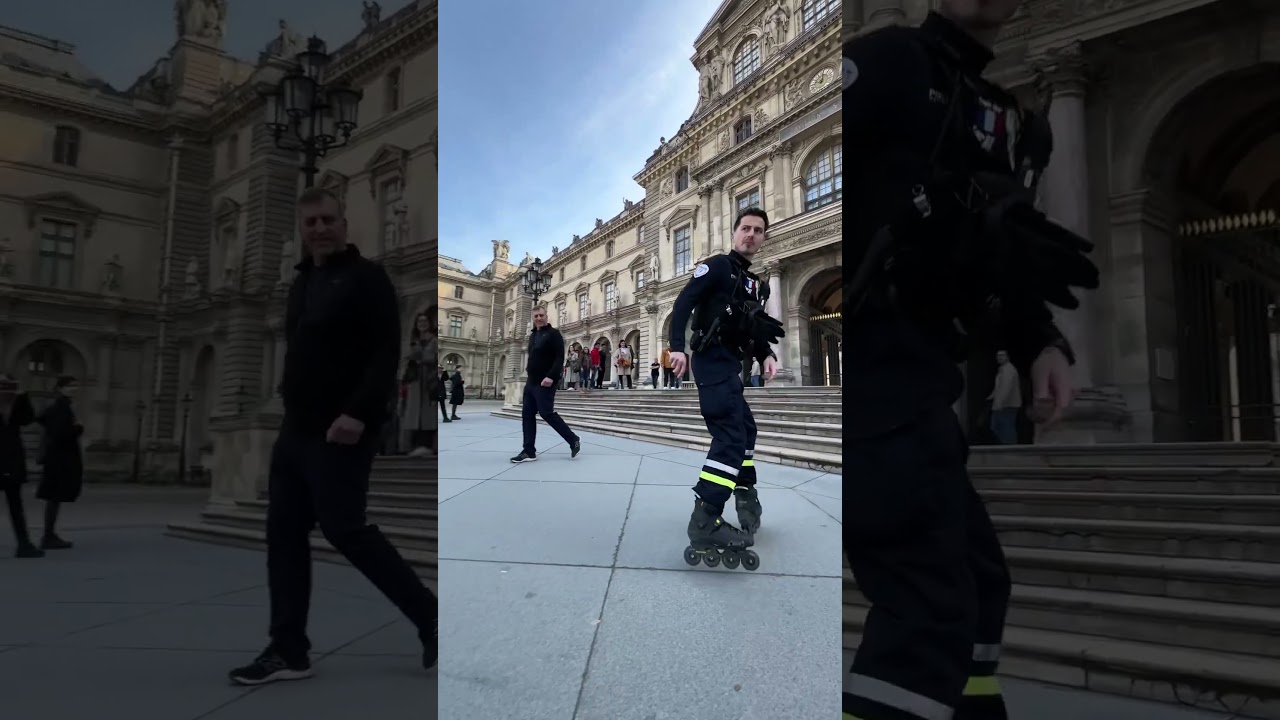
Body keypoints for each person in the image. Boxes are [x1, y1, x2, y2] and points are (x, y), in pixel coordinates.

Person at [842, 3, 1100, 719]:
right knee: (926, 607)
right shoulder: (891, 58)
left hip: (924, 376)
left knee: (981, 582)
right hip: (875, 376)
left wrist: (1038, 340)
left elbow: (997, 247)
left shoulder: (1004, 114)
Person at [229, 186, 437, 686]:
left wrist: (359, 413)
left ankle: (431, 617)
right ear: (302, 230)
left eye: (327, 220)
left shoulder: (368, 278)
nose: (320, 228)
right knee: (283, 533)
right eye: (311, 222)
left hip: (341, 427)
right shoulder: (301, 283)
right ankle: (288, 649)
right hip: (295, 429)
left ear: (344, 224)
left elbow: (385, 352)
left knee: (345, 529)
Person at [667, 207, 784, 571]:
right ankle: (706, 517)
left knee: (746, 429)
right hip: (711, 358)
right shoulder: (717, 266)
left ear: (763, 238)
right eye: (745, 228)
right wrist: (676, 347)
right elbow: (684, 302)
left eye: (758, 230)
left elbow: (753, 327)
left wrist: (766, 354)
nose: (751, 234)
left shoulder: (755, 284)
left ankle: (745, 493)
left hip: (732, 364)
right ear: (734, 233)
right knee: (730, 436)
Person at [510, 305, 581, 463]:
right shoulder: (533, 336)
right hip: (531, 381)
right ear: (533, 318)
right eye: (536, 316)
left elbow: (559, 357)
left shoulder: (554, 334)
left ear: (546, 316)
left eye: (541, 315)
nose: (539, 318)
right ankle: (529, 451)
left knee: (546, 413)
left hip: (545, 381)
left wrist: (551, 376)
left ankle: (573, 439)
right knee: (527, 414)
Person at [36, 374, 83, 550]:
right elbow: (60, 434)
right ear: (60, 388)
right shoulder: (61, 406)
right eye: (70, 386)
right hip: (59, 459)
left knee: (54, 498)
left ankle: (49, 534)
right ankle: (48, 536)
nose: (74, 389)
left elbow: (43, 420)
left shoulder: (59, 405)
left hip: (56, 457)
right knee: (54, 497)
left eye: (75, 385)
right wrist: (78, 429)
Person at [0, 375, 41, 558]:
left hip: (11, 460)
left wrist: (23, 397)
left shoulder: (16, 404)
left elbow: (28, 419)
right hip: (8, 459)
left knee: (16, 506)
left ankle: (24, 544)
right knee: (16, 506)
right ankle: (24, 545)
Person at [987, 349, 1021, 445]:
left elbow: (1006, 387)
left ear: (1007, 357)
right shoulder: (1002, 369)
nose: (999, 357)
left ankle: (1010, 446)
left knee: (1005, 427)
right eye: (998, 355)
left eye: (1002, 355)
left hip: (1007, 405)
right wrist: (992, 396)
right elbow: (999, 386)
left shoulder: (1008, 370)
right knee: (997, 426)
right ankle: (1006, 445)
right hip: (1001, 404)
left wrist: (1000, 403)